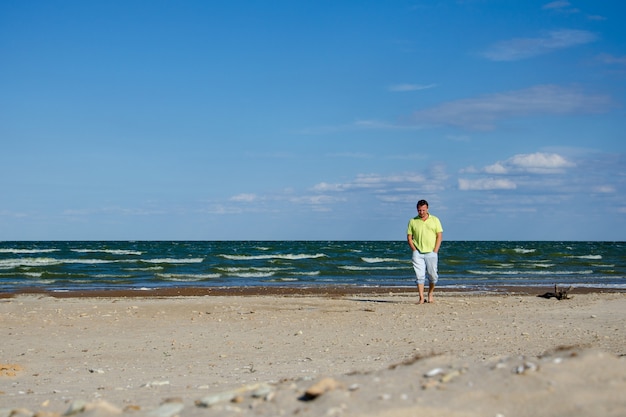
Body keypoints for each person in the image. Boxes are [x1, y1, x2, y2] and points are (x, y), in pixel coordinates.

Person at [407, 199, 443, 304]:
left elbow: (439, 235)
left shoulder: (435, 220)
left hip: (431, 252)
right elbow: (409, 237)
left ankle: (430, 293)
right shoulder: (413, 221)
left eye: (423, 210)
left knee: (433, 275)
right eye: (419, 210)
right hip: (418, 252)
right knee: (420, 275)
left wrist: (435, 250)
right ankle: (421, 297)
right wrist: (414, 249)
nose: (421, 212)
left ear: (427, 208)